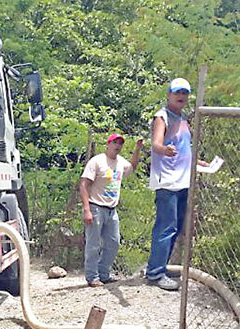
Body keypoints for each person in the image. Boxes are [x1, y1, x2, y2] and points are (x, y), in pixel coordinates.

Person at [145, 78, 208, 291]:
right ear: (168, 94)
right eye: (177, 92)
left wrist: (198, 162)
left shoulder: (182, 119)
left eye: (185, 93)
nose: (181, 96)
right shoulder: (162, 117)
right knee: (166, 226)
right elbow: (155, 144)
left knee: (177, 226)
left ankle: (160, 266)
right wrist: (165, 150)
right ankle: (154, 273)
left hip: (182, 179)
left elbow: (185, 149)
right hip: (167, 180)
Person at [79, 133, 143, 286]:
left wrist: (137, 150)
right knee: (93, 244)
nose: (117, 146)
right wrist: (86, 209)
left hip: (111, 209)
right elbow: (83, 184)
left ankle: (104, 273)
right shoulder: (97, 161)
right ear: (108, 144)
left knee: (114, 242)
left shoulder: (120, 162)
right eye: (115, 142)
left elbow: (132, 167)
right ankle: (92, 276)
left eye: (120, 143)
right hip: (96, 206)